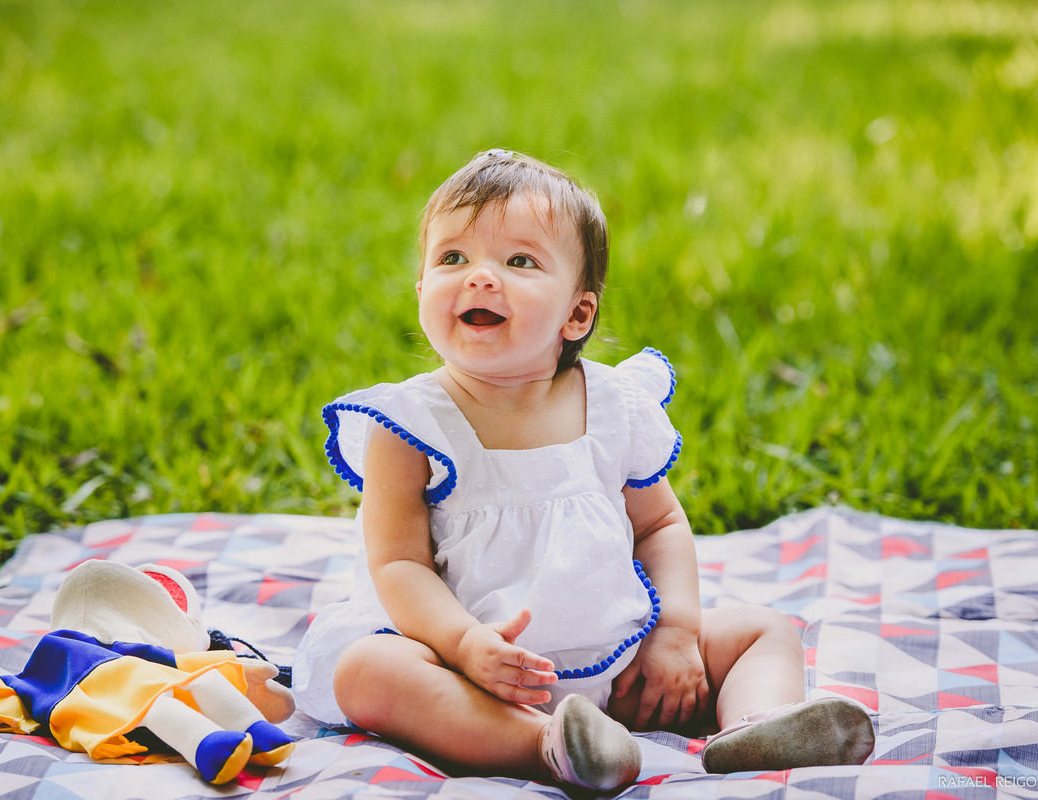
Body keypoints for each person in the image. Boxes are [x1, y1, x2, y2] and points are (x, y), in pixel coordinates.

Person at [291, 149, 874, 791]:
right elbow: (399, 565)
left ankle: (759, 727)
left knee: (764, 630)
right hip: (466, 667)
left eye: (519, 261)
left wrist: (675, 633)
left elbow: (659, 526)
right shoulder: (408, 424)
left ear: (577, 314)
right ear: (423, 291)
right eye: (452, 257)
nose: (479, 278)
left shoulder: (614, 407)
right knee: (370, 670)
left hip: (618, 661)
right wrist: (463, 644)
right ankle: (549, 747)